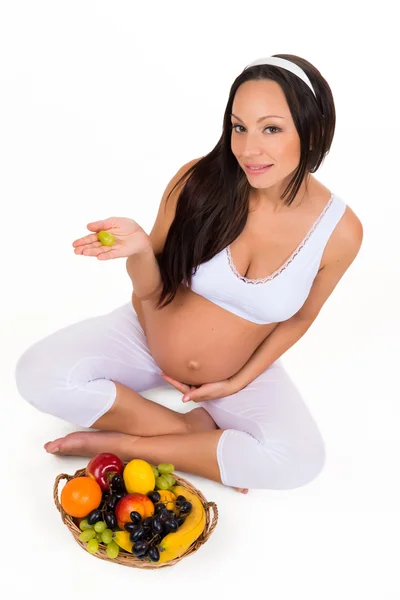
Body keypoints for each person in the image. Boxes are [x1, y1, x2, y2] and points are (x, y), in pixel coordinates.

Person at [15, 54, 363, 494]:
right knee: (37, 372)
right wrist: (140, 248)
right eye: (239, 127)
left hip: (232, 374)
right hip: (144, 337)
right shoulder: (198, 181)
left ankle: (128, 445)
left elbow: (299, 317)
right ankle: (189, 438)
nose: (248, 148)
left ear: (313, 132)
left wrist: (239, 380)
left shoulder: (340, 231)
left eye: (271, 128)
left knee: (299, 462)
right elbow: (150, 291)